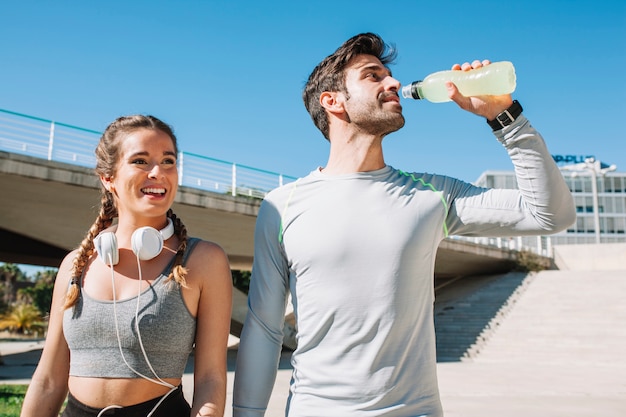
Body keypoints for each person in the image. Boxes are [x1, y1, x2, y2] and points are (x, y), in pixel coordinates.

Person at [232, 32, 576, 416]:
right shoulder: (282, 205)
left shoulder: (432, 194)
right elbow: (263, 329)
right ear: (333, 102)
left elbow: (550, 214)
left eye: (390, 75)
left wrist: (504, 116)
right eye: (373, 76)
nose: (393, 83)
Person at [21, 115, 233, 417]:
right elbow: (48, 380)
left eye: (168, 161)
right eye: (141, 161)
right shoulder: (75, 265)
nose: (158, 172)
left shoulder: (204, 260)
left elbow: (211, 378)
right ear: (108, 178)